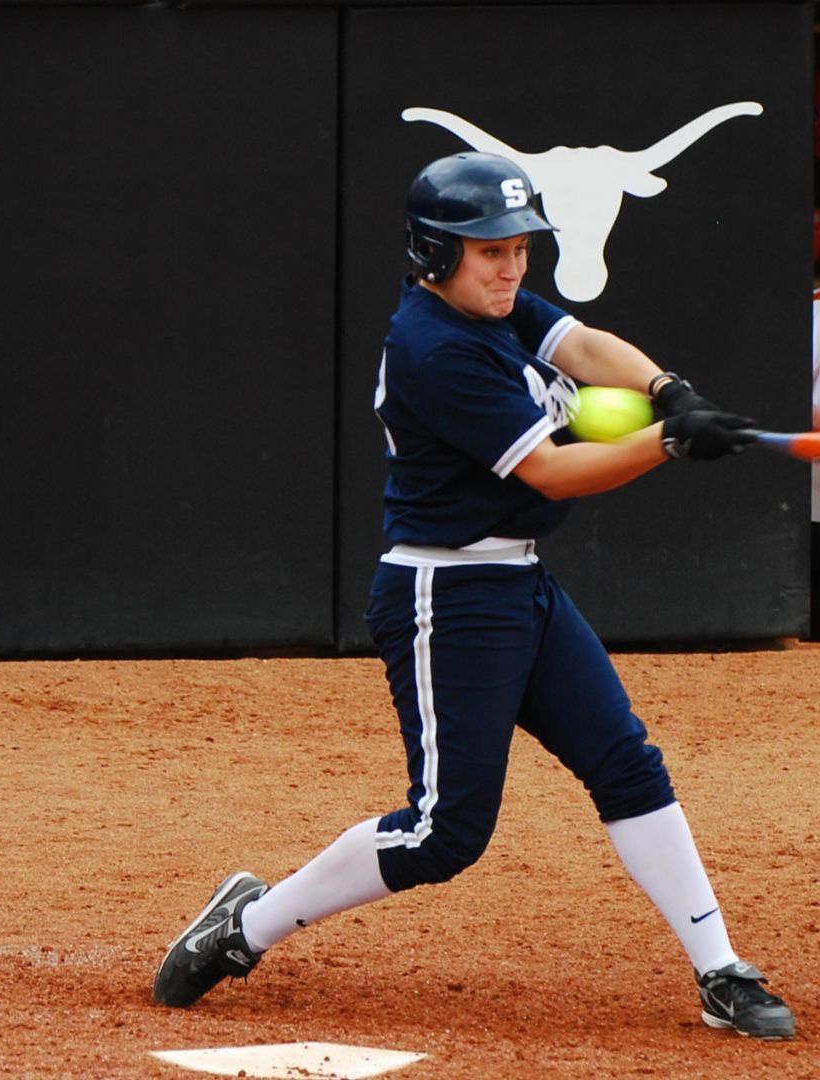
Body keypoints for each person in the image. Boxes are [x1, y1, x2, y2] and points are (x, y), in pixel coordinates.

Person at [152, 153, 797, 1041]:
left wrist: (667, 391)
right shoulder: (434, 348)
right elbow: (552, 470)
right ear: (433, 254)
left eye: (520, 247)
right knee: (444, 834)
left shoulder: (495, 307)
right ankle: (246, 926)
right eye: (491, 250)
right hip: (446, 597)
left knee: (625, 763)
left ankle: (720, 969)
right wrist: (669, 444)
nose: (511, 266)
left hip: (520, 582)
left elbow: (581, 345)